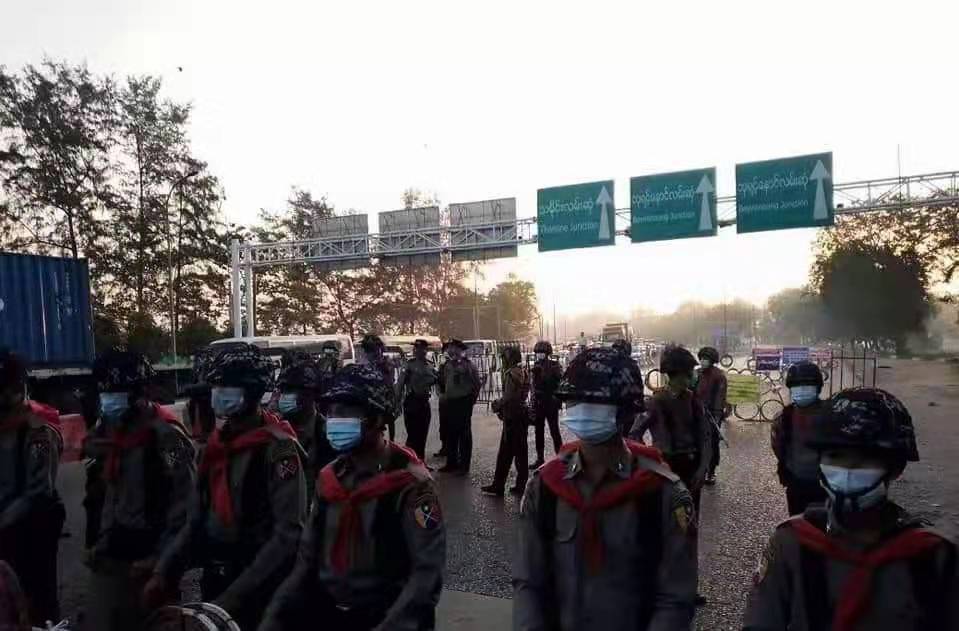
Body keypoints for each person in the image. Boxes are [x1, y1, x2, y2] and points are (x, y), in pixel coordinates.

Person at [743, 388, 959, 630]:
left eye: (865, 458)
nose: (847, 470)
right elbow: (761, 620)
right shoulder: (791, 542)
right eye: (836, 456)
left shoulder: (934, 554)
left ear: (896, 468)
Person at [513, 347, 697, 631]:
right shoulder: (545, 487)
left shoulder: (663, 495)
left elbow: (675, 599)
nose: (580, 408)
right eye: (575, 399)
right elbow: (528, 583)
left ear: (625, 410)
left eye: (594, 401)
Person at [258, 364, 446, 631]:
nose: (335, 420)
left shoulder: (411, 485)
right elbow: (307, 560)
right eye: (332, 411)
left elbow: (426, 575)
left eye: (347, 411)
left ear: (378, 418)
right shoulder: (330, 478)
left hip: (388, 617)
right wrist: (276, 612)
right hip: (331, 615)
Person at [144, 344, 307, 630]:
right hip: (217, 578)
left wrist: (230, 599)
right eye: (216, 387)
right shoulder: (215, 447)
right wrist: (163, 569)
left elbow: (287, 535)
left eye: (226, 387)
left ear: (252, 392)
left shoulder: (278, 449)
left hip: (262, 586)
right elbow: (194, 520)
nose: (217, 394)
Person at [78, 350, 196, 631]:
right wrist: (100, 544)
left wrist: (160, 562)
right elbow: (109, 495)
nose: (108, 400)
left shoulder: (166, 436)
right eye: (104, 393)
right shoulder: (111, 432)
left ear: (140, 394)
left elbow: (186, 510)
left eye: (116, 393)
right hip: (116, 551)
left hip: (152, 555)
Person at [0, 349, 65, 627]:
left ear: (15, 389)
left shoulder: (37, 431)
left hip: (31, 527)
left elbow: (38, 492)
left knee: (36, 604)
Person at [631, 344, 710, 512]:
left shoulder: (693, 400)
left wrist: (702, 468)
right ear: (680, 374)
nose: (694, 375)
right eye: (690, 371)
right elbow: (634, 435)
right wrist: (650, 460)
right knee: (667, 514)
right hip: (665, 466)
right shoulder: (655, 402)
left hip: (691, 464)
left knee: (690, 514)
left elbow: (705, 436)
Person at [770, 361, 829, 516]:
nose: (802, 389)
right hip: (796, 483)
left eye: (808, 385)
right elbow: (778, 448)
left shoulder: (832, 415)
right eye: (797, 385)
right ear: (790, 388)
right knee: (797, 522)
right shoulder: (783, 417)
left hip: (827, 485)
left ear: (818, 387)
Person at [275, 352, 335, 501]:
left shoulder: (330, 436)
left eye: (293, 390)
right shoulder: (273, 433)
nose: (285, 396)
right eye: (284, 390)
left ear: (312, 394)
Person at [482, 346, 531, 497]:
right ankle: (521, 484)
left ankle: (499, 485)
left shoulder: (511, 374)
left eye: (504, 358)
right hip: (521, 414)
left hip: (512, 416)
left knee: (505, 453)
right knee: (521, 452)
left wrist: (497, 404)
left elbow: (509, 397)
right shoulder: (523, 371)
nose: (503, 361)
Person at [437, 339, 481, 474]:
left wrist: (471, 400)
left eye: (453, 347)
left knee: (464, 434)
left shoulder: (468, 365)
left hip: (463, 402)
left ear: (459, 349)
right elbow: (443, 382)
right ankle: (451, 463)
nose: (450, 350)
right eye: (450, 347)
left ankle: (464, 465)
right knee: (451, 433)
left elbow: (476, 384)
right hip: (450, 402)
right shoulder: (447, 365)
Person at [396, 339, 439, 461]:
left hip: (424, 402)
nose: (419, 351)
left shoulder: (430, 365)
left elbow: (437, 381)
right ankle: (410, 462)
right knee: (412, 435)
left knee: (423, 434)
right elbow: (400, 384)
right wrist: (397, 402)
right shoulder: (409, 365)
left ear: (426, 350)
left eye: (422, 349)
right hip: (412, 402)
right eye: (417, 348)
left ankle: (420, 461)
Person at [528, 341, 564, 470]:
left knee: (554, 431)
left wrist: (543, 375)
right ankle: (540, 458)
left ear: (547, 353)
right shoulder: (536, 365)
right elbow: (533, 386)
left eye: (542, 352)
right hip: (539, 403)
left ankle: (561, 458)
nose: (540, 354)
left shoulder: (554, 366)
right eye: (538, 352)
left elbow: (559, 382)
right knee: (538, 431)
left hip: (550, 403)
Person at [696, 346, 727, 485]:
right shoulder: (697, 373)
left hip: (712, 416)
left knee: (712, 444)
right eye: (702, 358)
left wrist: (717, 416)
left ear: (712, 360)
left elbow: (720, 397)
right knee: (697, 444)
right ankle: (699, 470)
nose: (703, 361)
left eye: (706, 359)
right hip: (697, 414)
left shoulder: (719, 376)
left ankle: (711, 472)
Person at [360, 334, 398, 441]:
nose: (373, 353)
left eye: (375, 349)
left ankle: (391, 441)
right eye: (369, 350)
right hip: (369, 396)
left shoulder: (386, 363)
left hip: (384, 395)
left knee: (389, 418)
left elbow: (390, 381)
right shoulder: (363, 364)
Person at [611, 339, 645, 438]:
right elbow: (639, 388)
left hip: (609, 409)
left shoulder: (606, 363)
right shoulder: (631, 364)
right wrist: (640, 406)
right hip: (627, 408)